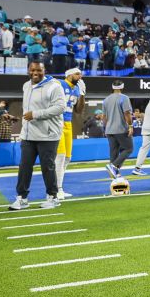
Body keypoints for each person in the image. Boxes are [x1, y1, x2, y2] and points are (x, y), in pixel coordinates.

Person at [11, 62, 65, 210]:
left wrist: (35, 115)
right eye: (32, 70)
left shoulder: (54, 86)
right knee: (24, 167)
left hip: (48, 135)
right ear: (28, 70)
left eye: (39, 70)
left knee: (47, 167)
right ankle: (22, 198)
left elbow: (61, 107)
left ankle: (52, 197)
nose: (35, 72)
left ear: (44, 70)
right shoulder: (26, 86)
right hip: (28, 135)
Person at [54, 68, 86, 199]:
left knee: (67, 158)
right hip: (57, 122)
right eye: (77, 74)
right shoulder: (60, 84)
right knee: (60, 157)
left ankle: (58, 186)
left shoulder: (77, 89)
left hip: (68, 123)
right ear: (68, 75)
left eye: (80, 74)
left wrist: (83, 94)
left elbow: (78, 110)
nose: (80, 76)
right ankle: (57, 189)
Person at [102, 81, 133, 179]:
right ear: (122, 87)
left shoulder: (106, 100)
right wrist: (131, 126)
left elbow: (104, 117)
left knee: (114, 153)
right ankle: (113, 166)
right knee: (128, 148)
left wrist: (105, 128)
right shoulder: (124, 98)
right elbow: (127, 113)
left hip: (109, 129)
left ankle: (115, 174)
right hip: (120, 128)